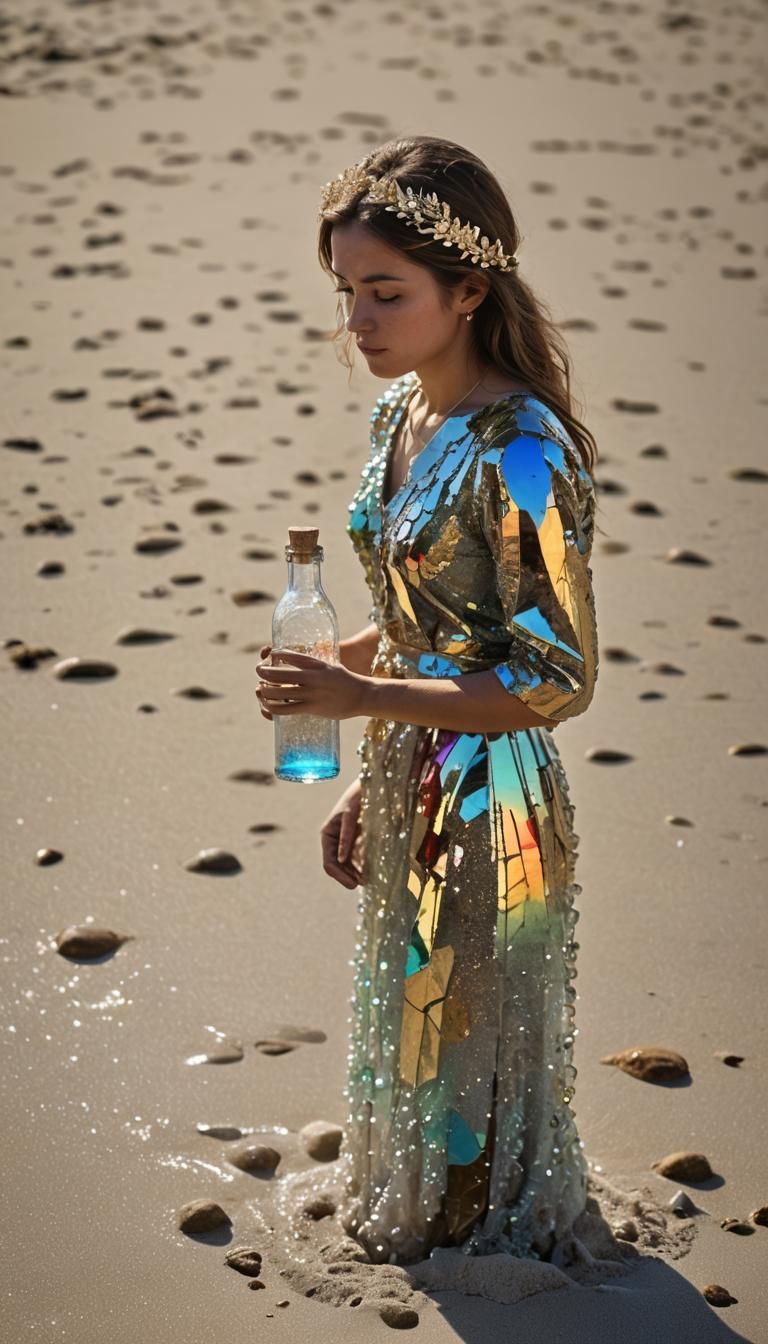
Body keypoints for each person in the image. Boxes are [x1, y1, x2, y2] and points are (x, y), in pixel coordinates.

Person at [255, 135, 599, 1268]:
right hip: (416, 769)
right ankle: (429, 1229)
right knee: (412, 1024)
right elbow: (428, 626)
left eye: (387, 293)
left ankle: (488, 1254)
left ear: (470, 289)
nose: (359, 319)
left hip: (495, 796)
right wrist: (358, 740)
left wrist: (353, 691)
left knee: (466, 1043)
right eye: (348, 290)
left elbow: (554, 676)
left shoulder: (524, 451)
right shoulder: (404, 415)